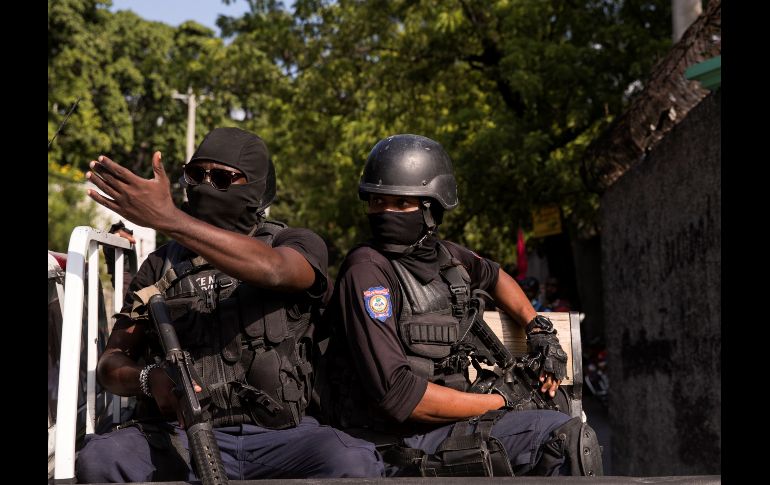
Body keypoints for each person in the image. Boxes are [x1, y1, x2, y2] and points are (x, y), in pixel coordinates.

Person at [76, 127, 384, 482]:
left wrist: (169, 219)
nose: (205, 185)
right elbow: (112, 363)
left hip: (282, 437)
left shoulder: (295, 243)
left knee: (354, 462)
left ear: (256, 188)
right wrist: (149, 380)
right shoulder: (160, 267)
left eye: (222, 177)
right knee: (101, 458)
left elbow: (273, 269)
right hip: (181, 437)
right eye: (196, 175)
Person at [320, 134, 602, 477]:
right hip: (391, 443)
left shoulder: (448, 259)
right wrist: (501, 401)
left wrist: (537, 327)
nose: (384, 212)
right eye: (377, 201)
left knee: (561, 419)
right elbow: (399, 395)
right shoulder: (367, 270)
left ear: (431, 208)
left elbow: (497, 277)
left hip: (448, 426)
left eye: (400, 202)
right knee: (563, 439)